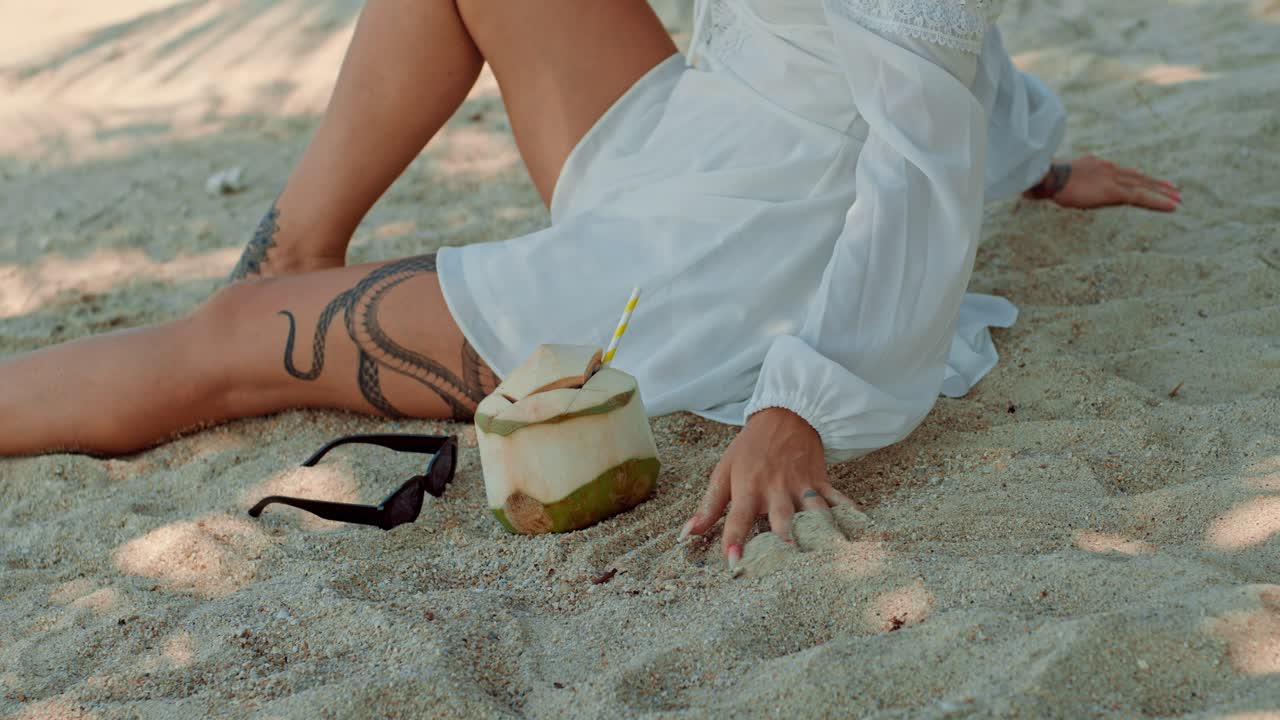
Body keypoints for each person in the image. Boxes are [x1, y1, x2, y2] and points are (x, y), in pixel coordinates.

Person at [0, 0, 1179, 569]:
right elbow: (931, 45)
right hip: (696, 150)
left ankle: (258, 311)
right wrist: (1032, 159)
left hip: (726, 261)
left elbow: (917, 146)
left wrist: (800, 403)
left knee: (226, 340)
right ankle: (301, 251)